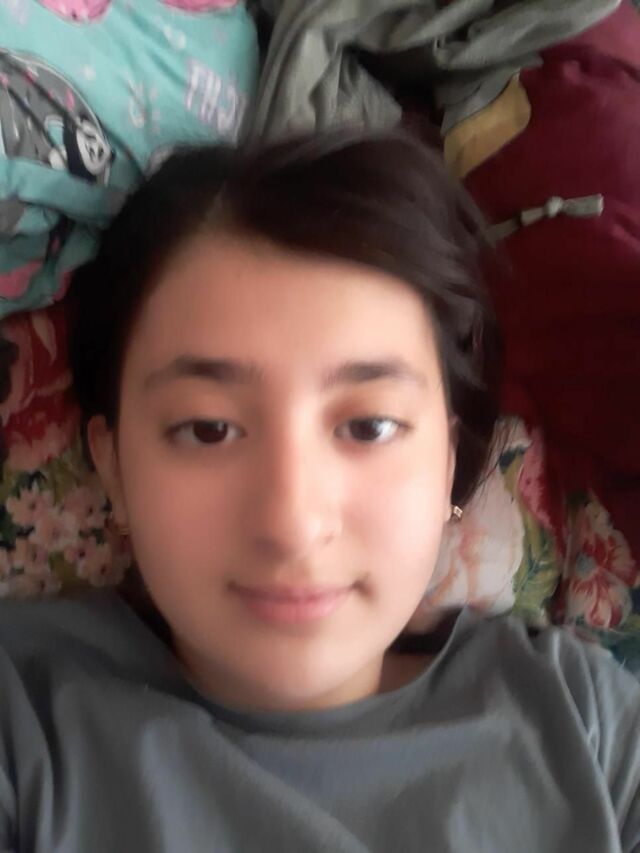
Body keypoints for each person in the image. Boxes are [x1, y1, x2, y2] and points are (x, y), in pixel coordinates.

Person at [0, 129, 638, 853]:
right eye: (209, 429)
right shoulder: (26, 728)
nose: (292, 524)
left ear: (449, 462)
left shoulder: (588, 726)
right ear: (112, 466)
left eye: (368, 426)